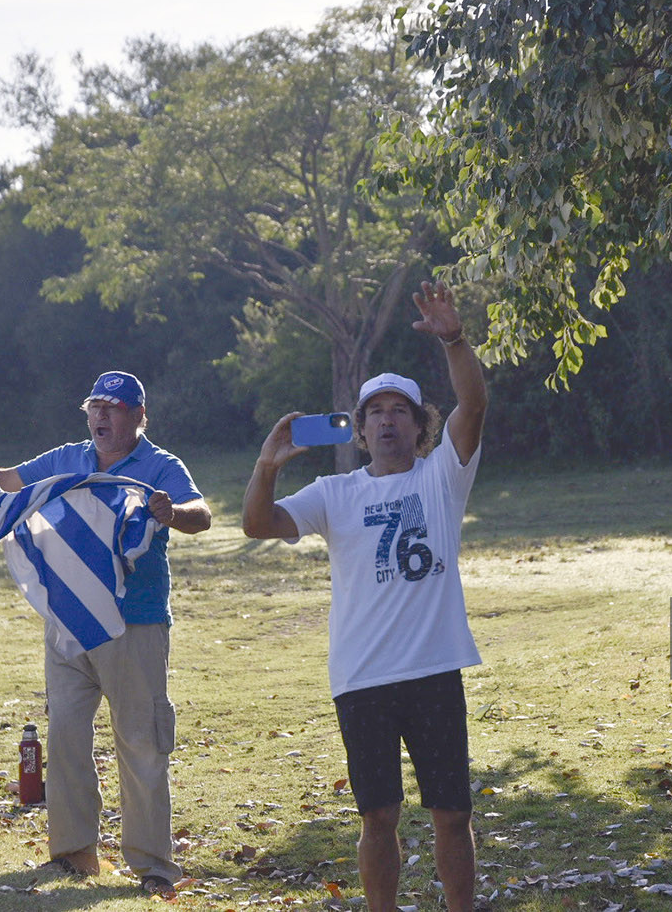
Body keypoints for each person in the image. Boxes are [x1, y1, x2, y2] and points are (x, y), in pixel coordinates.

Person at [241, 281, 487, 912]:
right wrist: (268, 467)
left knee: (451, 814)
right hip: (362, 677)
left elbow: (474, 403)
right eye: (374, 412)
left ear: (418, 425)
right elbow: (257, 525)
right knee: (377, 817)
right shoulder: (335, 491)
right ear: (359, 428)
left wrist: (454, 339)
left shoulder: (442, 477)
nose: (385, 420)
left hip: (433, 669)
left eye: (398, 411)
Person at [0, 370, 211, 899]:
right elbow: (8, 481)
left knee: (140, 742)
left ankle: (152, 864)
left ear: (138, 417)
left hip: (136, 620)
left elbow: (201, 515)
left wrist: (171, 512)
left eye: (114, 408)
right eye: (95, 407)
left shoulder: (161, 465)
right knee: (65, 736)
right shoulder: (69, 457)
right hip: (69, 622)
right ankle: (73, 853)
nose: (101, 417)